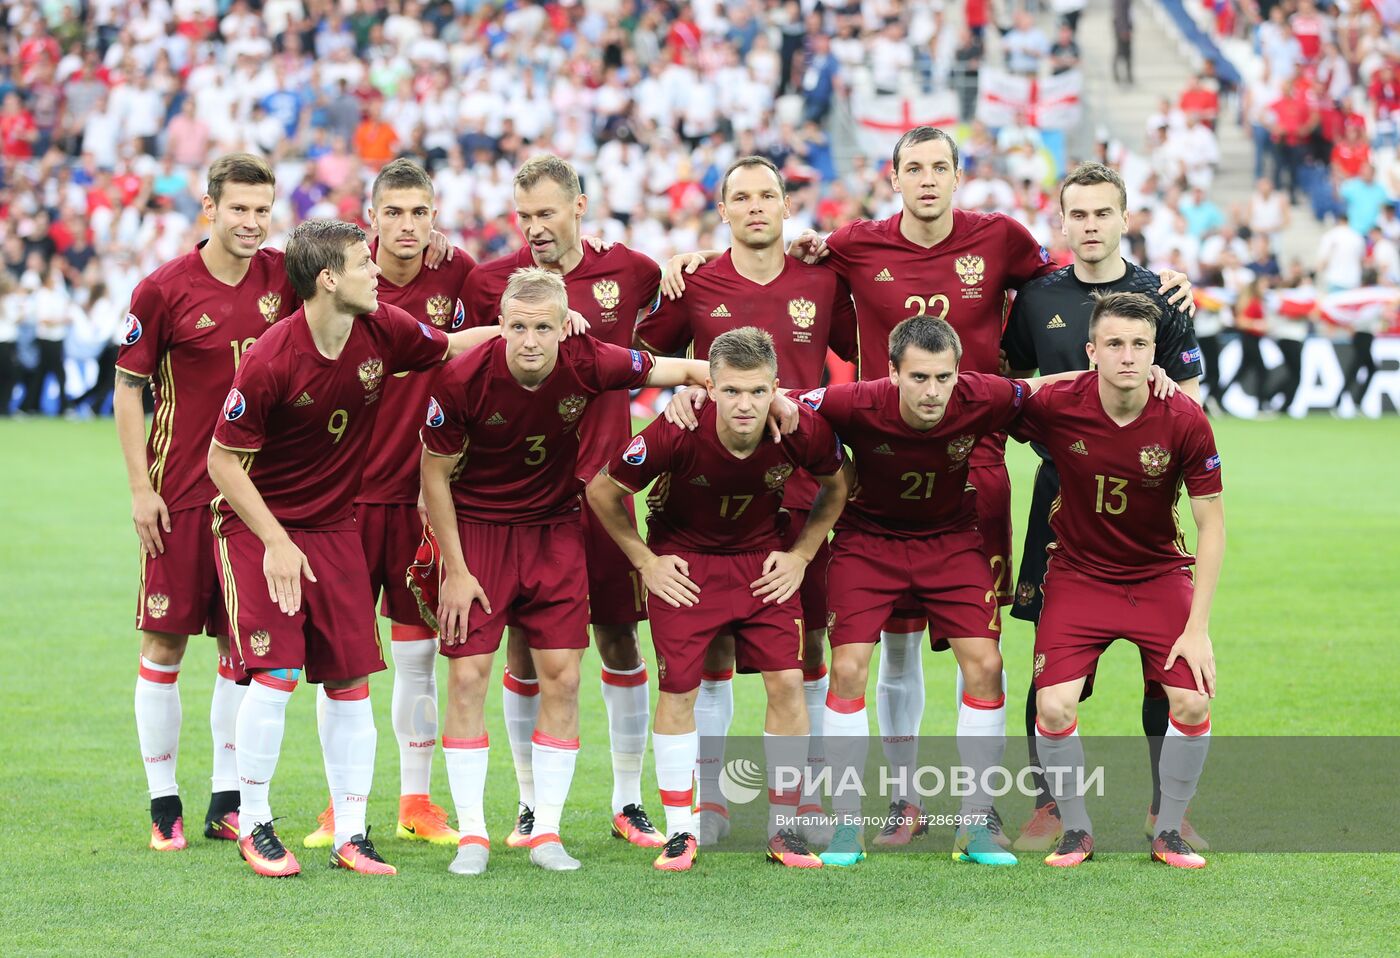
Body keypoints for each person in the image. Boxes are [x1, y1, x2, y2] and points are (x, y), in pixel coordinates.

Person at [664, 127, 1191, 845]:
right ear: (894, 177)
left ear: (957, 175)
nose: (927, 179)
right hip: (880, 463)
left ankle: (983, 810)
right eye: (913, 168)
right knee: (894, 646)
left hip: (976, 469)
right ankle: (902, 802)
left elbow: (1082, 276)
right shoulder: (854, 243)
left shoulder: (1001, 239)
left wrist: (1158, 288)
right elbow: (782, 250)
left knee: (981, 646)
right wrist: (695, 263)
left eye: (940, 167)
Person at [207, 219, 498, 878]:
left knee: (349, 682)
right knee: (278, 675)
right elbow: (222, 464)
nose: (378, 272)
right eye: (365, 263)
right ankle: (255, 827)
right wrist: (277, 542)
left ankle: (352, 833)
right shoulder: (272, 358)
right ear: (329, 279)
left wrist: (528, 331)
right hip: (257, 528)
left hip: (336, 527)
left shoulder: (383, 329)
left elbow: (450, 346)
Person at [421, 267, 711, 876]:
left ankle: (546, 830)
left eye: (543, 327)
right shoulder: (460, 378)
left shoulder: (589, 360)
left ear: (565, 328)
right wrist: (454, 567)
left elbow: (684, 369)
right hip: (478, 531)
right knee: (469, 677)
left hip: (555, 530)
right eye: (518, 326)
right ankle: (473, 833)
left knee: (564, 677)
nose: (530, 340)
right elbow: (434, 476)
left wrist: (696, 391)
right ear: (500, 326)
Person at [797, 315, 1096, 869]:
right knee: (848, 671)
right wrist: (693, 399)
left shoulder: (980, 394)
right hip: (869, 542)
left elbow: (1047, 385)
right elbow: (780, 402)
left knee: (985, 666)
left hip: (951, 541)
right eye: (918, 378)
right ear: (891, 374)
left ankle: (975, 824)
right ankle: (845, 827)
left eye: (943, 377)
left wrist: (1129, 371)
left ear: (959, 373)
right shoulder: (853, 401)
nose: (933, 391)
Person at [638, 155, 857, 845]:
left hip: (801, 489)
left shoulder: (822, 278)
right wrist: (676, 394)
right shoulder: (694, 280)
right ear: (723, 211)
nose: (756, 206)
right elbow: (644, 358)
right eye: (742, 197)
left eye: (768, 195)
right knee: (710, 655)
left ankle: (807, 794)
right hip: (710, 492)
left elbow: (866, 346)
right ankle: (710, 796)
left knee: (809, 643)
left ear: (788, 205)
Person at [460, 156, 667, 850]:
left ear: (580, 205)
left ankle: (629, 799)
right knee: (526, 651)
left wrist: (692, 258)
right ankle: (528, 804)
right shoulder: (494, 283)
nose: (535, 228)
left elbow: (681, 331)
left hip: (605, 494)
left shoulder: (632, 272)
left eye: (547, 213)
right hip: (521, 505)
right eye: (524, 217)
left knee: (617, 637)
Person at [587, 326, 848, 872]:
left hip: (762, 563)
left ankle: (784, 832)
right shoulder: (678, 427)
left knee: (787, 683)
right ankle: (682, 832)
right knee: (679, 689)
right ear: (711, 385)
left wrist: (801, 554)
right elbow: (603, 490)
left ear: (776, 387)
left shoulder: (799, 427)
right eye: (731, 391)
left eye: (758, 391)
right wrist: (645, 560)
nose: (745, 404)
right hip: (686, 566)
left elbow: (839, 485)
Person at [1000, 162, 1204, 853]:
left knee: (1164, 658)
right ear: (1062, 222)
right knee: (1049, 662)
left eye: (1102, 214)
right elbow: (1013, 390)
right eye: (1077, 215)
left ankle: (1159, 807)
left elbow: (1192, 396)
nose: (1090, 227)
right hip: (1061, 498)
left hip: (1144, 502)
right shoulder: (1036, 298)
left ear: (1125, 218)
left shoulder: (1163, 294)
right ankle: (1050, 806)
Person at [114, 154, 298, 852]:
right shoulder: (161, 290)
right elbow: (129, 390)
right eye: (239, 209)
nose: (251, 222)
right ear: (209, 209)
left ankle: (226, 799)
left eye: (262, 209)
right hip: (181, 496)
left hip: (251, 502)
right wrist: (139, 488)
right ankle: (165, 804)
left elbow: (358, 271)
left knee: (238, 650)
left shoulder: (285, 276)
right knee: (163, 644)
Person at [1012, 291, 1224, 870]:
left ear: (1155, 353)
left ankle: (1170, 830)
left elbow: (1212, 528)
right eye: (1113, 345)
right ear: (1091, 351)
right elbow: (1002, 396)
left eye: (1139, 345)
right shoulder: (1059, 403)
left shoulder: (1184, 418)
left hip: (1158, 575)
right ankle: (1076, 830)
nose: (1127, 356)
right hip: (1079, 577)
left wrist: (1198, 628)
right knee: (1052, 707)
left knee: (1192, 701)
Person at [302, 158, 476, 850]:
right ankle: (336, 806)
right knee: (339, 661)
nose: (408, 226)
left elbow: (520, 306)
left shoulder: (459, 275)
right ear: (370, 218)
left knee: (416, 657)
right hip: (339, 502)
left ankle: (415, 802)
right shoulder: (339, 273)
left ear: (436, 216)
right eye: (394, 212)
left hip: (421, 501)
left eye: (420, 212)